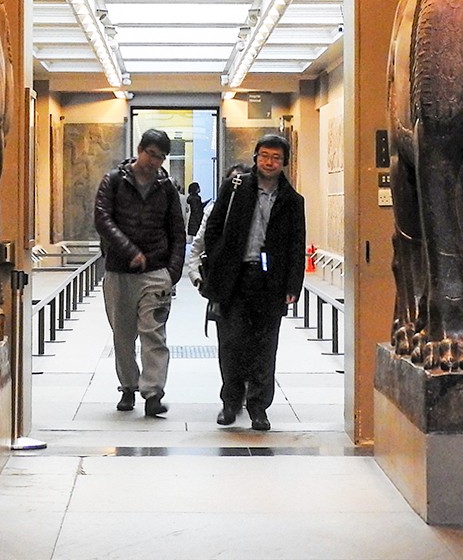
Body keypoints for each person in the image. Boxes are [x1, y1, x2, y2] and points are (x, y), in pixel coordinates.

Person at [200, 134, 305, 431]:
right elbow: (213, 228)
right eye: (264, 156)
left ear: (284, 163)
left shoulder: (293, 201)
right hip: (234, 278)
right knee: (231, 343)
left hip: (270, 283)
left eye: (276, 158)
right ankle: (230, 402)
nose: (269, 162)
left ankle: (258, 406)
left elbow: (297, 245)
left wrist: (292, 287)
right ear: (255, 157)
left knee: (264, 346)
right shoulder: (235, 189)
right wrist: (218, 261)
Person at [93, 128, 186, 417]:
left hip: (156, 271)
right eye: (151, 154)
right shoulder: (113, 181)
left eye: (160, 157)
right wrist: (128, 251)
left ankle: (154, 391)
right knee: (123, 334)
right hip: (119, 271)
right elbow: (102, 219)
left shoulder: (166, 188)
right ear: (139, 149)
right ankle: (128, 386)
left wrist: (173, 272)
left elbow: (177, 232)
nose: (154, 162)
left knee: (154, 333)